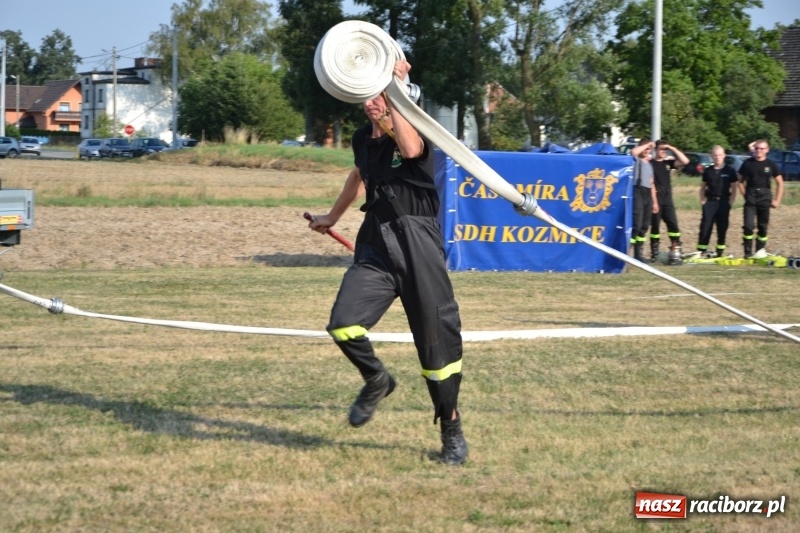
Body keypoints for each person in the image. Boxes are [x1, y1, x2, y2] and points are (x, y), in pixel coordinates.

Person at [307, 60, 468, 465]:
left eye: (379, 96)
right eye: (368, 95)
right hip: (376, 246)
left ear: (397, 99)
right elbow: (358, 176)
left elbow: (410, 150)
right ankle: (377, 379)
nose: (370, 102)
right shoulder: (363, 138)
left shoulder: (417, 133)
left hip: (419, 246)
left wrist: (395, 89)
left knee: (436, 352)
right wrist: (332, 217)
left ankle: (451, 428)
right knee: (343, 323)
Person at [737, 139, 784, 257]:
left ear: (767, 150)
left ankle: (759, 252)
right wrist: (745, 195)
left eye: (762, 148)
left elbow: (780, 183)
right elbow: (740, 181)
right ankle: (748, 253)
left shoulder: (771, 164)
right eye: (757, 148)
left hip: (765, 197)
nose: (759, 150)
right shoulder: (747, 163)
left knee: (762, 227)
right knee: (748, 226)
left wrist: (777, 200)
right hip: (751, 197)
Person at [649, 140, 689, 261]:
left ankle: (676, 246)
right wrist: (654, 202)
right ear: (655, 150)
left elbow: (685, 161)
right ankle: (654, 252)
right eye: (661, 149)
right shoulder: (650, 163)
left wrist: (672, 148)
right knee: (655, 227)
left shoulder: (668, 163)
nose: (664, 151)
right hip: (656, 198)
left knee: (673, 224)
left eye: (665, 149)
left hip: (667, 199)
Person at [697, 146, 738, 257]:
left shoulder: (730, 171)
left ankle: (719, 252)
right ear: (712, 156)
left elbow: (734, 189)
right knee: (705, 227)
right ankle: (701, 251)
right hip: (710, 202)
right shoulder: (708, 171)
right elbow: (702, 188)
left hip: (723, 202)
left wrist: (730, 203)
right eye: (715, 155)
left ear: (724, 155)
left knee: (722, 228)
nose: (717, 157)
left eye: (720, 155)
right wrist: (703, 202)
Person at [629, 139, 658, 261]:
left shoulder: (649, 165)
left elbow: (652, 184)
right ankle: (627, 251)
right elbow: (633, 152)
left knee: (644, 226)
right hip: (638, 191)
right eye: (645, 148)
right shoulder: (635, 160)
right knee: (636, 224)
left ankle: (638, 253)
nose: (647, 150)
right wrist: (647, 144)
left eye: (649, 149)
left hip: (647, 194)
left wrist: (655, 202)